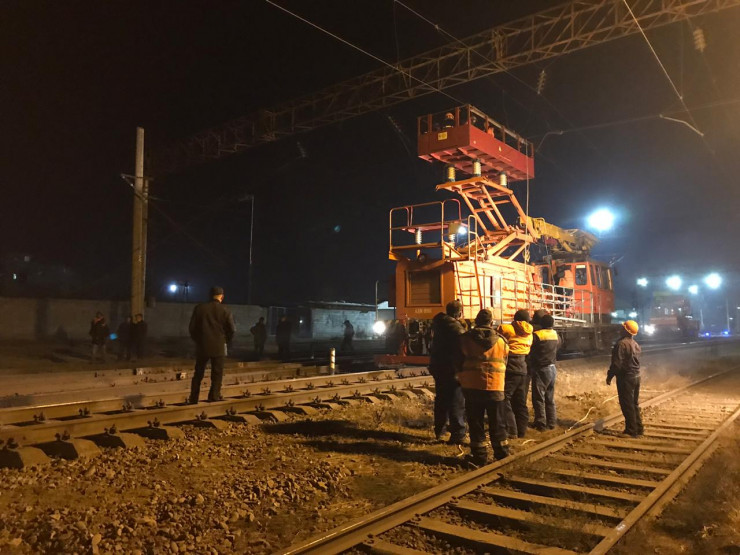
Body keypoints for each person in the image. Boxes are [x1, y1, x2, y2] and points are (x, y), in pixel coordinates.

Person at [457, 308, 510, 465]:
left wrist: (462, 377)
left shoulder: (465, 339)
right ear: (491, 322)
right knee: (498, 422)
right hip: (496, 386)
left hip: (472, 386)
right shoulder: (502, 341)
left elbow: (458, 360)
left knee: (476, 423)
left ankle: (479, 456)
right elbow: (505, 361)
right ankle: (502, 453)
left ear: (476, 321)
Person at [188, 286, 236, 403]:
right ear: (222, 297)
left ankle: (194, 398)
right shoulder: (225, 310)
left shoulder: (199, 308)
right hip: (219, 346)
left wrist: (198, 340)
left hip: (202, 345)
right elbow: (232, 329)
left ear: (210, 296)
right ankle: (214, 396)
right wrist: (226, 340)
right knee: (217, 374)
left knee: (198, 373)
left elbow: (192, 328)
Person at [429, 300, 467, 444]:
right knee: (456, 401)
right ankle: (458, 434)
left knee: (441, 399)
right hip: (452, 369)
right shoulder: (456, 328)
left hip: (438, 366)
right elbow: (463, 347)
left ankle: (440, 430)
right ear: (459, 313)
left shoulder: (439, 323)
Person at [498, 309, 534, 438]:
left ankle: (511, 430)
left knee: (504, 399)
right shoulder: (529, 333)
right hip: (523, 367)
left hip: (510, 367)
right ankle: (521, 430)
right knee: (520, 401)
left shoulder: (506, 329)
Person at [607, 320, 643, 437]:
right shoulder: (635, 344)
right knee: (634, 404)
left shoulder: (621, 344)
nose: (620, 329)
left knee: (627, 404)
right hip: (636, 376)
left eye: (622, 328)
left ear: (625, 331)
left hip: (626, 378)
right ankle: (639, 428)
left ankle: (631, 430)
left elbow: (616, 364)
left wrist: (610, 376)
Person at [529, 314, 561, 430]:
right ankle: (552, 423)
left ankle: (540, 423)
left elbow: (530, 349)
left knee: (538, 397)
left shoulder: (537, 335)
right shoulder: (556, 335)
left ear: (541, 324)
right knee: (549, 397)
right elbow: (559, 346)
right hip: (552, 368)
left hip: (541, 369)